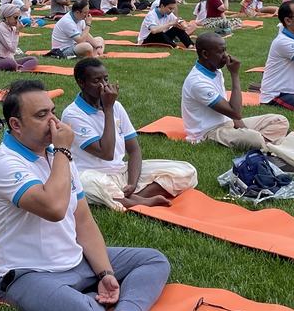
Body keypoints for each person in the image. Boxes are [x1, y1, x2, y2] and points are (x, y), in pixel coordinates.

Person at [0, 78, 169, 311]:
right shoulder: (4, 163)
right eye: (41, 115)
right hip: (24, 272)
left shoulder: (57, 156)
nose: (53, 122)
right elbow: (55, 208)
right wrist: (62, 150)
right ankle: (92, 310)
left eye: (53, 111)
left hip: (73, 260)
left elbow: (82, 219)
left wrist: (105, 274)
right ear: (16, 125)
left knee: (153, 260)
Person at [62, 59, 196, 211]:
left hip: (121, 172)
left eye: (106, 79)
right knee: (88, 185)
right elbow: (106, 153)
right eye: (96, 81)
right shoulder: (73, 114)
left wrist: (132, 183)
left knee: (187, 171)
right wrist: (108, 110)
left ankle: (130, 197)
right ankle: (139, 201)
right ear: (81, 82)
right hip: (91, 174)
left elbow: (134, 150)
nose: (104, 85)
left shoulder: (115, 106)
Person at [182, 33, 290, 149]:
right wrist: (234, 74)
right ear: (205, 54)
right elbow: (235, 112)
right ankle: (267, 144)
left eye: (225, 50)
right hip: (208, 132)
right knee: (255, 138)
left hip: (228, 123)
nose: (226, 56)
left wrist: (242, 127)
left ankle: (264, 144)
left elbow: (234, 116)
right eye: (220, 52)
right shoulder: (197, 82)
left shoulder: (215, 70)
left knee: (280, 121)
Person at [0, 4, 37, 71]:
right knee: (10, 62)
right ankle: (17, 68)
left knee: (33, 59)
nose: (18, 21)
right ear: (6, 17)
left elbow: (10, 53)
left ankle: (21, 70)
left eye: (19, 18)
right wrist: (17, 32)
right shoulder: (0, 28)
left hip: (6, 60)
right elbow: (12, 49)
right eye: (15, 18)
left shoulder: (12, 28)